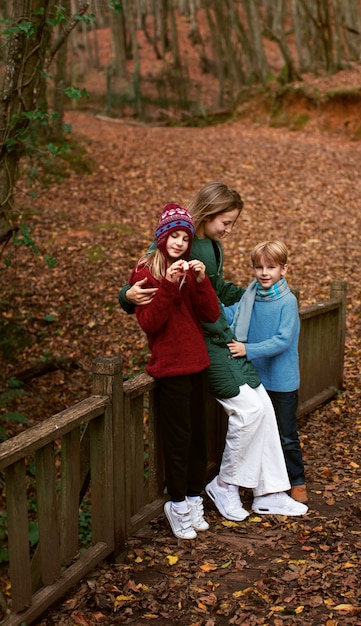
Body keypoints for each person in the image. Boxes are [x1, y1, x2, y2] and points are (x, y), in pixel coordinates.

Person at [119, 182, 308, 521]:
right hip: (202, 346)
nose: (229, 229)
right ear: (208, 213)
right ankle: (225, 485)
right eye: (226, 221)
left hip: (214, 341)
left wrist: (256, 293)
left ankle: (270, 492)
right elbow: (148, 269)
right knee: (249, 412)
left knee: (263, 408)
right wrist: (124, 296)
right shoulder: (182, 238)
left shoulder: (211, 246)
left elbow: (214, 288)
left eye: (233, 222)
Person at [128, 203, 220, 539]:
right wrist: (167, 285)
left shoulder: (188, 269)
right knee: (178, 438)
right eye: (174, 235)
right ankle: (177, 503)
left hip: (197, 362)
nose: (179, 242)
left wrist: (201, 280)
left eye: (185, 237)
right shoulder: (145, 273)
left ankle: (194, 498)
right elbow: (151, 323)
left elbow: (210, 315)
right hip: (170, 367)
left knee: (198, 436)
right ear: (162, 236)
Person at [223, 240, 307, 503]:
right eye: (259, 267)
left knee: (285, 434)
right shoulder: (250, 297)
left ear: (284, 269)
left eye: (271, 267)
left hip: (282, 381)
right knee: (259, 431)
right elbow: (229, 315)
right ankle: (262, 482)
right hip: (255, 378)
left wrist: (248, 349)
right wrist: (206, 302)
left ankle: (296, 480)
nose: (264, 273)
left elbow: (282, 340)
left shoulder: (287, 302)